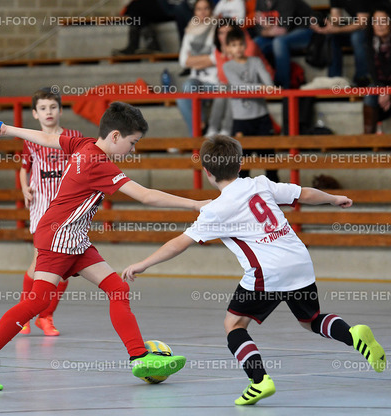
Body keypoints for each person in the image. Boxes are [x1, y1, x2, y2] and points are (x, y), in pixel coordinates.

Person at [123, 135, 386, 406]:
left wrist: (144, 263)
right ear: (240, 165)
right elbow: (304, 193)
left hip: (267, 273)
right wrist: (334, 199)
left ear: (207, 173)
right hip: (299, 262)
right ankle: (353, 335)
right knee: (311, 320)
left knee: (234, 325)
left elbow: (180, 243)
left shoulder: (216, 210)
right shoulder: (260, 183)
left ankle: (259, 381)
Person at [0, 102, 208, 391]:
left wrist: (5, 129)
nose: (133, 150)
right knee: (37, 302)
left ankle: (139, 357)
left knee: (118, 288)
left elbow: (48, 138)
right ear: (115, 136)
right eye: (133, 143)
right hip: (58, 239)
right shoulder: (98, 163)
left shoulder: (84, 144)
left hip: (75, 239)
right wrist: (195, 203)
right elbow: (145, 195)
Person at [18, 88, 83, 336]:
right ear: (35, 113)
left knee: (65, 266)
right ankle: (24, 314)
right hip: (42, 206)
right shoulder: (30, 139)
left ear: (60, 110)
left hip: (67, 207)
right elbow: (24, 168)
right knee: (40, 261)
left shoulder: (74, 137)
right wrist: (25, 189)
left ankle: (46, 316)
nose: (48, 112)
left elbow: (84, 164)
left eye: (53, 107)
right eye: (43, 108)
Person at [223, 27, 279, 182]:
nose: (238, 48)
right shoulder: (227, 66)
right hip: (241, 119)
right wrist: (259, 87)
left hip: (261, 116)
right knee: (242, 164)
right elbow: (238, 85)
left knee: (269, 159)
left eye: (240, 44)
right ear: (228, 48)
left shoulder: (255, 61)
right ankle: (243, 199)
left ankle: (275, 197)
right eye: (233, 45)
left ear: (245, 45)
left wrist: (261, 87)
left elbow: (269, 84)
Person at [177, 0, 224, 137]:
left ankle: (195, 136)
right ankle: (200, 128)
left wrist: (193, 60)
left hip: (215, 83)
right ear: (195, 12)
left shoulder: (218, 27)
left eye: (206, 8)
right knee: (184, 92)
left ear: (211, 10)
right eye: (199, 9)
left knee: (189, 91)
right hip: (197, 80)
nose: (202, 12)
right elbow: (183, 61)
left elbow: (216, 58)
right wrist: (205, 59)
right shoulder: (190, 29)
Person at [311, 0, 386, 86]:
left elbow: (363, 22)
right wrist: (325, 26)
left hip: (380, 26)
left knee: (357, 37)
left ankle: (363, 77)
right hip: (363, 26)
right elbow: (336, 20)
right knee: (333, 36)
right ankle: (334, 80)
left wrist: (337, 29)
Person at [253, 0, 314, 89]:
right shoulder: (260, 2)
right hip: (279, 35)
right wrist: (269, 28)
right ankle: (262, 84)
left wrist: (266, 24)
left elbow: (282, 30)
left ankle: (282, 86)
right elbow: (259, 30)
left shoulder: (287, 1)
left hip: (305, 31)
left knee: (279, 42)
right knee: (256, 43)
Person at [112, 0, 193, 55]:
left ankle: (148, 44)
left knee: (136, 7)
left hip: (179, 6)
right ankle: (148, 44)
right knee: (135, 6)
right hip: (166, 4)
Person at [363, 6, 391, 134]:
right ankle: (368, 139)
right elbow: (373, 73)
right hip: (381, 85)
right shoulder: (370, 44)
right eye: (376, 21)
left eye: (384, 21)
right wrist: (382, 89)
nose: (379, 25)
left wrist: (388, 91)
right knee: (370, 93)